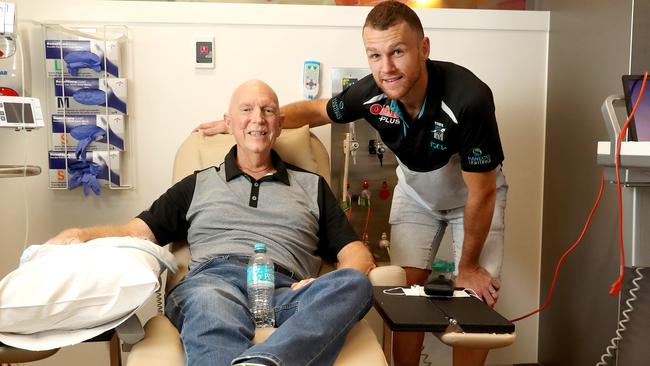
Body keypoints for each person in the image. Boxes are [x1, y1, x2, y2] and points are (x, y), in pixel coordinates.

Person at [196, 2, 508, 365]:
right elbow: (317, 111)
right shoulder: (371, 94)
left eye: (398, 52)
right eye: (375, 55)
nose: (386, 67)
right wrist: (250, 123)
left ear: (423, 48)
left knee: (471, 301)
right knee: (405, 296)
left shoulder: (468, 100)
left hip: (473, 197)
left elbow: (482, 192)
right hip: (417, 194)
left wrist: (468, 266)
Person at [47, 80, 376, 366]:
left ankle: (262, 362)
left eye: (268, 111)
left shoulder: (312, 186)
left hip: (285, 291)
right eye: (246, 110)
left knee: (356, 285)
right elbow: (135, 232)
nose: (257, 119)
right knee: (212, 303)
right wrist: (81, 234)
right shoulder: (198, 184)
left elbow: (356, 254)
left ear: (280, 123)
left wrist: (326, 281)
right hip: (214, 282)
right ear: (229, 123)